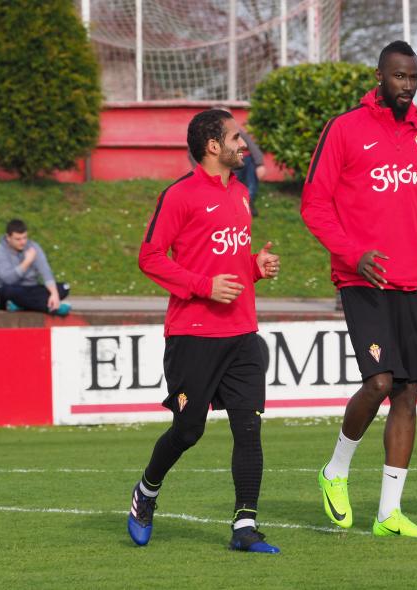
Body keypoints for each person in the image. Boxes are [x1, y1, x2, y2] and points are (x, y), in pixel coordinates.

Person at [301, 40, 417, 538]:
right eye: (398, 77)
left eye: (413, 77)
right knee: (381, 382)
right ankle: (335, 470)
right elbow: (314, 204)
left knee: (408, 392)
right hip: (362, 279)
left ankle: (389, 512)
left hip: (412, 282)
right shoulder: (345, 129)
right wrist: (352, 254)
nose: (407, 86)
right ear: (379, 75)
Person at [128, 108, 281, 554]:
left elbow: (226, 264)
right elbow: (150, 257)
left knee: (248, 428)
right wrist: (203, 287)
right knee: (188, 430)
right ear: (213, 145)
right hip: (192, 335)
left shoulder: (240, 194)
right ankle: (146, 493)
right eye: (236, 137)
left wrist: (254, 267)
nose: (244, 145)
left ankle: (244, 527)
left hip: (242, 334)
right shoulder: (180, 194)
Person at [0, 218, 71, 316]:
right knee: (10, 291)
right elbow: (9, 280)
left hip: (31, 289)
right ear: (8, 238)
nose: (23, 242)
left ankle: (21, 305)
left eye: (25, 237)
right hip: (8, 292)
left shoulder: (33, 247)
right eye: (18, 239)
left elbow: (46, 272)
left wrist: (54, 294)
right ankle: (49, 307)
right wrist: (27, 262)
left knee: (64, 287)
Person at [233, 128, 266, 217]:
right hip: (231, 162)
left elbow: (248, 146)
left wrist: (259, 164)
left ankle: (248, 204)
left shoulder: (237, 131)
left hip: (245, 159)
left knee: (251, 184)